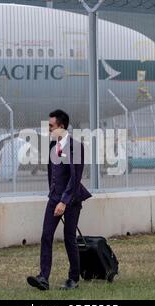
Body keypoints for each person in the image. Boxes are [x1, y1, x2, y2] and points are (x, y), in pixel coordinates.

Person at [27, 109, 92, 290]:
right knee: (46, 236)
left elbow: (75, 177)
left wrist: (64, 201)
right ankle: (43, 278)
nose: (48, 129)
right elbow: (52, 173)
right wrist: (53, 195)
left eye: (51, 126)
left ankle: (73, 279)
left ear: (61, 127)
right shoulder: (51, 146)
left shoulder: (76, 147)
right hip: (54, 198)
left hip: (71, 199)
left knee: (69, 237)